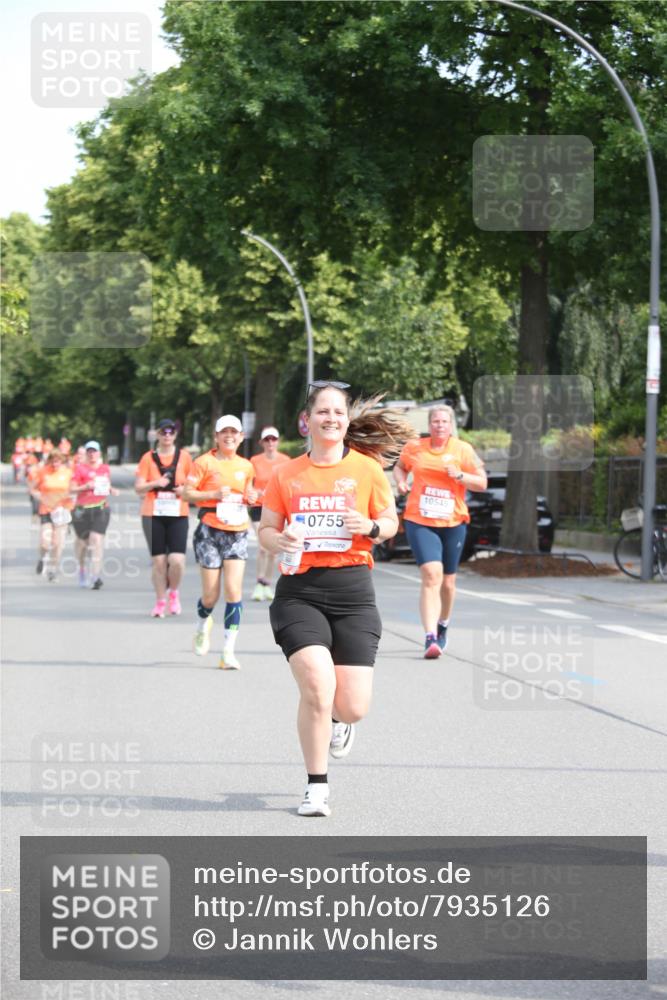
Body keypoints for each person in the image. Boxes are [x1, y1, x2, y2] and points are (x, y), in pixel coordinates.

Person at [259, 382, 414, 817]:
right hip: (300, 592)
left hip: (352, 592)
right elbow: (266, 531)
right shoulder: (286, 473)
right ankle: (316, 787)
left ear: (347, 420)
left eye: (338, 412)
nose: (331, 419)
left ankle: (339, 722)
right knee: (317, 687)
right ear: (307, 420)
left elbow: (390, 523)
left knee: (352, 706)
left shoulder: (366, 470)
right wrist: (281, 538)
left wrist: (368, 526)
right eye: (322, 412)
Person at [393, 405, 487, 659]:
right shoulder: (415, 447)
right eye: (435, 421)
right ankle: (430, 636)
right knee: (431, 575)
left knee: (448, 582)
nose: (439, 425)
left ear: (450, 425)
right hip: (419, 519)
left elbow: (482, 482)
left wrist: (460, 475)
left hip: (453, 521)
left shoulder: (462, 450)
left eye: (444, 421)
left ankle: (443, 623)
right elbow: (400, 467)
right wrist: (401, 481)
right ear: (430, 424)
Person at [182, 416, 257, 670]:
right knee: (211, 595)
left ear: (240, 437)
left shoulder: (246, 466)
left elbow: (249, 493)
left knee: (234, 592)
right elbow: (186, 493)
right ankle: (203, 624)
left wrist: (251, 497)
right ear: (216, 436)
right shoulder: (203, 462)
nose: (229, 436)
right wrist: (212, 494)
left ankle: (228, 651)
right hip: (209, 531)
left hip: (237, 532)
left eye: (233, 432)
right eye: (224, 432)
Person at [135, 418, 194, 617]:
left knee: (176, 560)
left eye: (170, 432)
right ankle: (160, 601)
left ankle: (173, 593)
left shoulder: (185, 457)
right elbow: (138, 487)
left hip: (178, 513)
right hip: (153, 514)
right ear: (157, 435)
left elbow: (194, 486)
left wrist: (182, 489)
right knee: (159, 561)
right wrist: (156, 482)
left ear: (175, 435)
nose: (167, 435)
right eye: (163, 432)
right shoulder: (148, 458)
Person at [249, 426, 291, 601]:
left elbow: (290, 485)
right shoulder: (254, 461)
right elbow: (248, 484)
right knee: (263, 546)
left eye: (273, 439)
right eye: (267, 440)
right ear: (261, 443)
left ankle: (267, 583)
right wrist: (254, 492)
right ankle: (259, 582)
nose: (270, 443)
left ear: (278, 441)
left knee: (273, 549)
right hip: (259, 507)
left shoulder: (286, 460)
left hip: (278, 508)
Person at [70, 441, 118, 590]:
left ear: (99, 453)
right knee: (83, 543)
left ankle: (95, 575)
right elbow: (71, 489)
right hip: (81, 510)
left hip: (101, 508)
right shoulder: (79, 469)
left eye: (94, 451)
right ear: (86, 453)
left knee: (96, 540)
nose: (92, 454)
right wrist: (85, 486)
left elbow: (105, 486)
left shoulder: (105, 468)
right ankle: (82, 570)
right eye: (89, 451)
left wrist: (112, 490)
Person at [29, 449, 73, 581]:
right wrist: (40, 497)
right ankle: (42, 558)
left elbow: (74, 489)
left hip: (62, 511)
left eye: (58, 461)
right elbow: (32, 489)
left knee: (57, 543)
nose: (55, 464)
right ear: (49, 461)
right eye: (53, 461)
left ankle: (53, 570)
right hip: (46, 510)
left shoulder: (68, 473)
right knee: (45, 542)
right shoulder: (43, 472)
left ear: (62, 461)